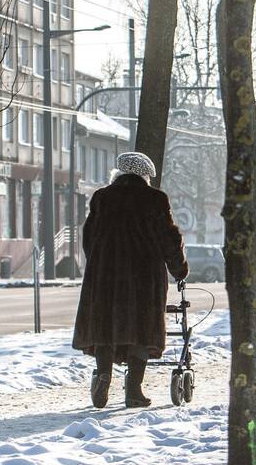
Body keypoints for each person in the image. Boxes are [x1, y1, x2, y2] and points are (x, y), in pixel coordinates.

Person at [72, 152, 188, 409]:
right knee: (141, 330)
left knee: (105, 328)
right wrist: (179, 270)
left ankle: (103, 375)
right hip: (143, 277)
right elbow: (169, 238)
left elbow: (88, 236)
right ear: (145, 175)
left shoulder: (102, 197)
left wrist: (98, 263)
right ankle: (134, 390)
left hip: (105, 276)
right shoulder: (155, 199)